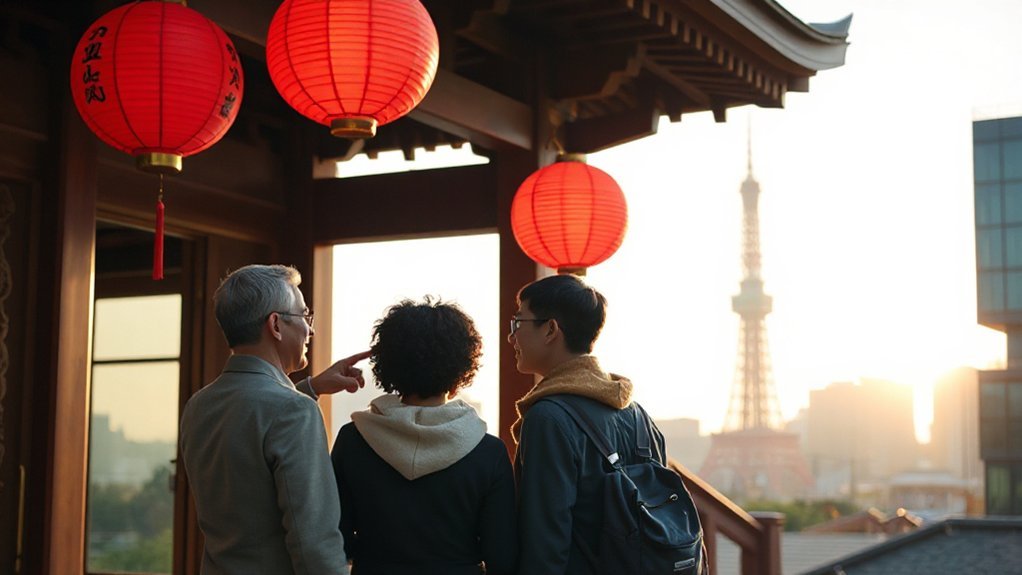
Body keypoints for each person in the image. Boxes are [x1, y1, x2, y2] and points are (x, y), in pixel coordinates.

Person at [179, 264, 370, 575]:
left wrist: (310, 388)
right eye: (305, 317)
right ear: (276, 325)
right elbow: (314, 541)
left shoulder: (199, 405)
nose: (310, 330)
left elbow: (252, 422)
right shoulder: (294, 412)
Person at [331, 298, 517, 575]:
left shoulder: (353, 439)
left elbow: (337, 536)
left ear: (388, 361)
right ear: (463, 364)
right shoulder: (488, 451)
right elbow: (502, 555)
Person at [508, 274, 667, 575]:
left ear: (551, 329)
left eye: (519, 323)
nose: (511, 337)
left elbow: (545, 544)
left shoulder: (548, 418)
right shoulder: (637, 413)